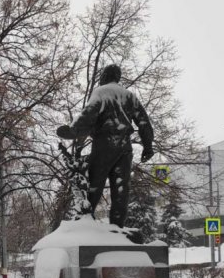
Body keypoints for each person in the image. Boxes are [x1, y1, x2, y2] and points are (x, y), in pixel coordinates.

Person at [57, 64, 154, 228]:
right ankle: (117, 228)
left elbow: (88, 116)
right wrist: (148, 146)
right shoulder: (129, 96)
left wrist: (71, 131)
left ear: (105, 76)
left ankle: (86, 221)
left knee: (95, 183)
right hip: (125, 148)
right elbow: (143, 122)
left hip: (104, 144)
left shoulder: (101, 92)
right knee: (121, 190)